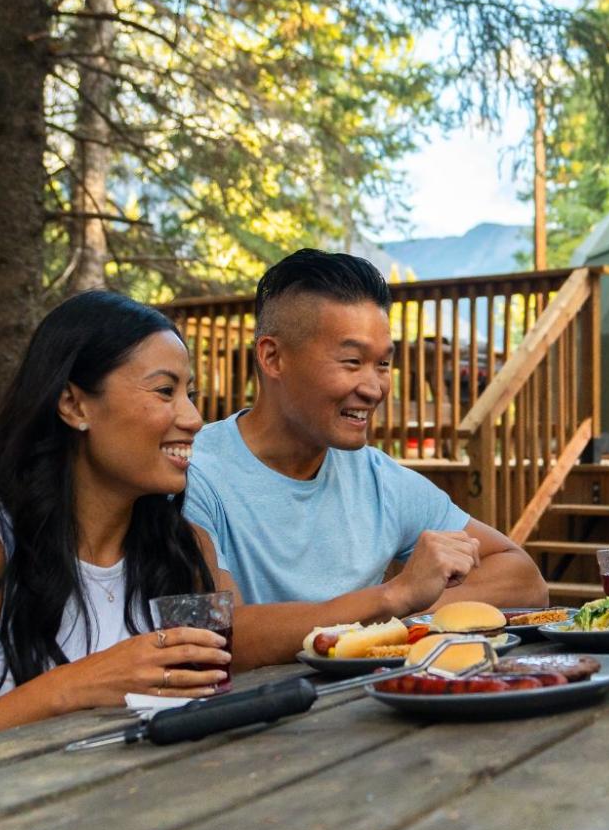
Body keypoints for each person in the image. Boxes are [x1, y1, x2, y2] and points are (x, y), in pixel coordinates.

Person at [0, 291, 236, 764]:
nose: (193, 418)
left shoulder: (186, 549)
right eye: (164, 391)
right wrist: (72, 687)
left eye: (189, 393)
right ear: (73, 404)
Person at [183, 249, 549, 666]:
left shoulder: (379, 478)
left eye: (383, 364)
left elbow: (523, 578)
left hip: (374, 710)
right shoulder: (194, 475)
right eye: (352, 362)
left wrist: (395, 619)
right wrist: (393, 596)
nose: (374, 388)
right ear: (272, 357)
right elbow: (223, 635)